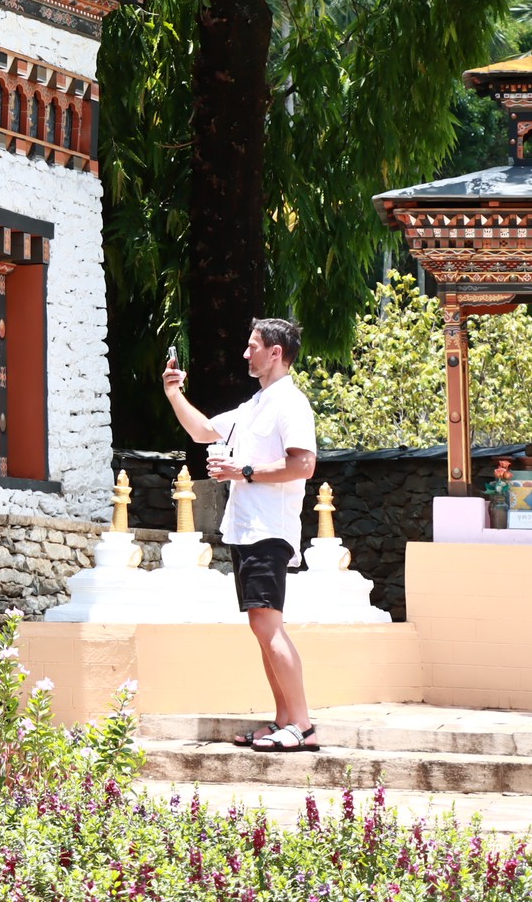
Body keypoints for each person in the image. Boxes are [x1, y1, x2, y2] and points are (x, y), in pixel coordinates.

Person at [161, 318, 319, 752]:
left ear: (275, 353)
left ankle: (302, 725)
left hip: (269, 530)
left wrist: (243, 470)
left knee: (268, 626)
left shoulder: (291, 404)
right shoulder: (253, 407)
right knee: (261, 628)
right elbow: (202, 432)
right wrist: (175, 393)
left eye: (253, 346)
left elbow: (304, 465)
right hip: (246, 530)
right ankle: (284, 720)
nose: (246, 354)